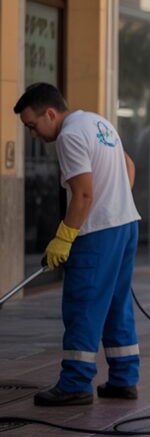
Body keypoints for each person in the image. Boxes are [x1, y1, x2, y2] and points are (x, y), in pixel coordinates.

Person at [14, 83, 141, 406]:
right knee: (115, 303)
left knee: (83, 303)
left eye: (32, 126)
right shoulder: (99, 123)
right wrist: (116, 200)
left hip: (97, 232)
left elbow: (83, 195)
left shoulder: (69, 136)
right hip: (125, 225)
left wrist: (64, 237)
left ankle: (75, 383)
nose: (33, 135)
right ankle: (124, 378)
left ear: (51, 113)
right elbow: (129, 166)